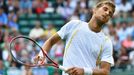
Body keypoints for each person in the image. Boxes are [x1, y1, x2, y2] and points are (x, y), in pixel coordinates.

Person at [35, 0, 115, 75]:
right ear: (95, 10)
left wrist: (84, 71)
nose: (107, 13)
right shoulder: (74, 25)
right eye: (105, 9)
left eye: (110, 14)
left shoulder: (106, 42)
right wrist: (41, 54)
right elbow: (51, 41)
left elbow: (105, 71)